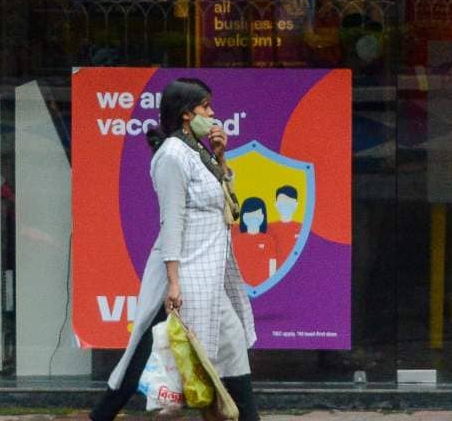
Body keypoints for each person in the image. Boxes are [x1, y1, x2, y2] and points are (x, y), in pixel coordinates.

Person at [90, 78, 259, 421]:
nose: (212, 114)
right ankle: (103, 414)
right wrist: (174, 282)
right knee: (146, 349)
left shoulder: (199, 151)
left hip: (208, 271)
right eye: (205, 107)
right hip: (184, 269)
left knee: (229, 341)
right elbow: (171, 220)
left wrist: (221, 156)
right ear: (186, 114)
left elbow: (229, 203)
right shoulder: (172, 156)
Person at [233, 197, 278, 286]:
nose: (253, 218)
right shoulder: (236, 241)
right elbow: (234, 267)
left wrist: (271, 285)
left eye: (257, 215)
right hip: (242, 287)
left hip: (263, 286)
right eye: (249, 215)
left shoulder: (268, 240)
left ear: (263, 217)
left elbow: (272, 266)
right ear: (243, 217)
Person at [266, 185, 302, 268]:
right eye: (282, 202)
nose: (286, 205)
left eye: (289, 202)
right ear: (276, 204)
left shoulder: (303, 229)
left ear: (296, 205)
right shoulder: (269, 228)